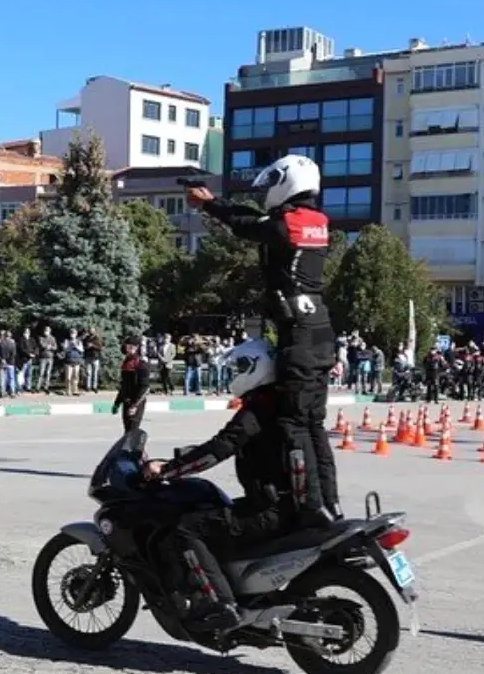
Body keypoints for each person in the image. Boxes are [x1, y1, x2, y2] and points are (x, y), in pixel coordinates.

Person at [181, 156, 339, 526]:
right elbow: (259, 223)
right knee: (314, 425)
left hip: (298, 335)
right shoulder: (317, 221)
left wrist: (208, 204)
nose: (268, 192)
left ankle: (310, 510)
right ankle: (330, 505)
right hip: (320, 332)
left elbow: (246, 224)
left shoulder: (290, 224)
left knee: (293, 425)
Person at [142, 338, 301, 633]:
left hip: (267, 509)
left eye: (240, 367)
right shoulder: (276, 404)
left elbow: (220, 448)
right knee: (215, 513)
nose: (235, 373)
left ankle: (221, 605)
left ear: (257, 368)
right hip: (284, 503)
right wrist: (184, 458)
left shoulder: (256, 412)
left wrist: (168, 470)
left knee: (185, 529)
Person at [112, 334, 150, 432]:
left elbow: (145, 387)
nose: (130, 349)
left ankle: (137, 448)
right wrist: (117, 402)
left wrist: (135, 405)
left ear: (137, 348)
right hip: (126, 400)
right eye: (128, 346)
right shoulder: (126, 362)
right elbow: (124, 385)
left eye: (133, 346)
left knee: (133, 431)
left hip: (136, 401)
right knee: (127, 430)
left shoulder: (141, 364)